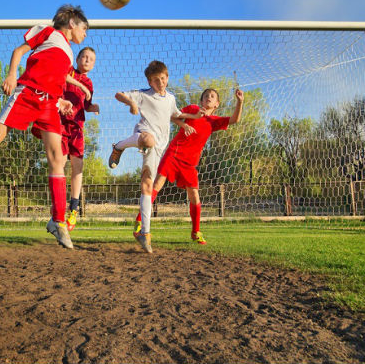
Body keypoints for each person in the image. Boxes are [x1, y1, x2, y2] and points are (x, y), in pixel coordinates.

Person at [0, 4, 89, 250]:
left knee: (57, 159)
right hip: (27, 94)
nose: (85, 34)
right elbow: (19, 51)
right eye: (84, 28)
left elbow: (57, 78)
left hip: (49, 103)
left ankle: (58, 221)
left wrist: (61, 99)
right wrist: (11, 75)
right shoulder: (49, 32)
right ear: (72, 23)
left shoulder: (70, 55)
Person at [136, 87, 244, 247]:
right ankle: (140, 222)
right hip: (174, 153)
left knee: (194, 194)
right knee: (158, 183)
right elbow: (172, 116)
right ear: (201, 101)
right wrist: (184, 125)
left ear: (217, 104)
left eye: (212, 96)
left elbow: (234, 120)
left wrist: (239, 102)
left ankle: (196, 232)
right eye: (206, 95)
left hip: (190, 163)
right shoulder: (193, 110)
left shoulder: (213, 121)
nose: (209, 97)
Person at [108, 60, 195, 253]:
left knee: (148, 185)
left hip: (160, 147)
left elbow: (175, 114)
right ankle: (120, 146)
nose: (161, 83)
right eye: (156, 80)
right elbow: (118, 94)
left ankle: (144, 233)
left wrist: (192, 120)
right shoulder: (143, 95)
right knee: (148, 139)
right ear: (149, 81)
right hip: (144, 135)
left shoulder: (171, 98)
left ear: (167, 77)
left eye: (163, 78)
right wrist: (131, 102)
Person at [60, 47, 100, 231]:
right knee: (58, 165)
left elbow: (85, 105)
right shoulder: (67, 70)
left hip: (77, 127)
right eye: (84, 56)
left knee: (78, 168)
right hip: (59, 125)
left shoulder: (89, 83)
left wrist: (93, 108)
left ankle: (73, 209)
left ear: (93, 64)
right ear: (77, 58)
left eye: (90, 59)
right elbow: (61, 80)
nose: (86, 59)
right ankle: (58, 209)